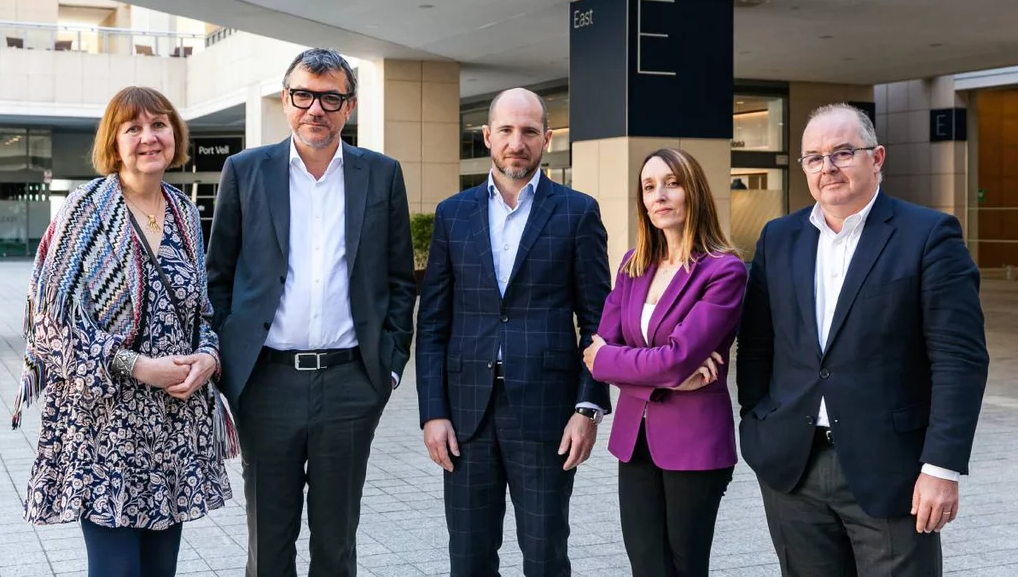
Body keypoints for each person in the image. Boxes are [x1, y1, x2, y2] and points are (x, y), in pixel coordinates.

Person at [737, 103, 989, 577]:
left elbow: (959, 359)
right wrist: (758, 422)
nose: (827, 167)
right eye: (813, 157)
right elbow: (757, 345)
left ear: (877, 158)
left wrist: (941, 468)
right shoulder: (779, 238)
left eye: (842, 152)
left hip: (893, 471)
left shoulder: (929, 234)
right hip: (794, 467)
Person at [206, 47, 416, 577]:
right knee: (269, 544)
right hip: (266, 384)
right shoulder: (245, 170)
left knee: (336, 543)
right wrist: (232, 367)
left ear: (350, 106)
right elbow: (218, 277)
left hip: (350, 384)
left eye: (330, 98)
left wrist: (388, 367)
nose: (315, 109)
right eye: (304, 95)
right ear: (286, 100)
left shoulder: (382, 174)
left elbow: (398, 279)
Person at [12, 86, 233, 577]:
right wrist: (136, 365)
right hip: (106, 428)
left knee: (160, 570)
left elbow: (203, 315)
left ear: (175, 134)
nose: (149, 138)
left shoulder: (185, 215)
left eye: (159, 125)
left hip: (174, 427)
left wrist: (208, 359)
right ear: (114, 142)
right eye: (133, 128)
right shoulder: (83, 212)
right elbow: (48, 324)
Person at [416, 87, 611, 577]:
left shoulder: (577, 212)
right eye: (505, 130)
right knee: (468, 558)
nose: (516, 142)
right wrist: (432, 413)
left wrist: (587, 407)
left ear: (547, 139)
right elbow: (434, 323)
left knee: (546, 557)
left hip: (547, 414)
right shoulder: (452, 214)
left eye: (528, 131)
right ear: (487, 137)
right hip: (465, 416)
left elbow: (599, 323)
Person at [582, 147, 747, 577]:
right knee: (646, 566)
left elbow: (669, 358)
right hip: (634, 441)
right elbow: (597, 355)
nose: (659, 195)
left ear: (693, 191)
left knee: (685, 567)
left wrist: (629, 363)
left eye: (671, 183)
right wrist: (665, 372)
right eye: (649, 187)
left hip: (694, 443)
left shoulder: (723, 271)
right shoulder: (633, 266)